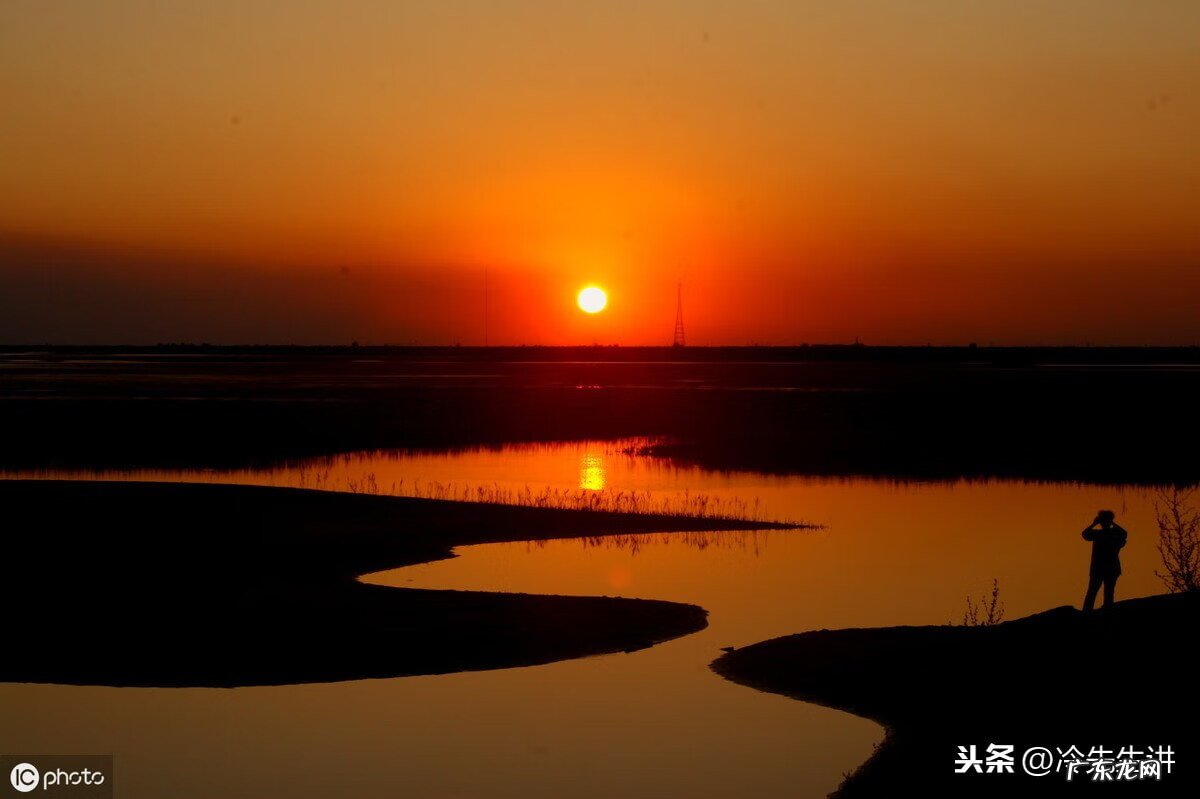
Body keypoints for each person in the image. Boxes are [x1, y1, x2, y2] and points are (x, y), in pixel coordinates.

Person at [1081, 510, 1127, 610]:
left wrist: (1094, 524)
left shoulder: (1100, 534)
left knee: (1095, 593)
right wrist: (1111, 523)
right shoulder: (1111, 534)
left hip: (1102, 568)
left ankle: (1088, 613)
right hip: (1107, 568)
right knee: (1104, 593)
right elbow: (1084, 534)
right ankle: (1101, 611)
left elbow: (1085, 534)